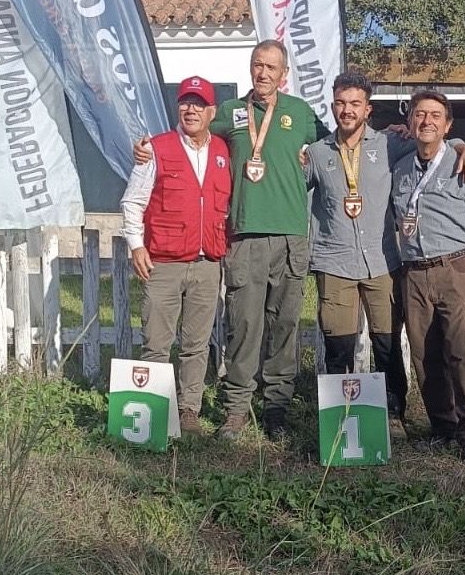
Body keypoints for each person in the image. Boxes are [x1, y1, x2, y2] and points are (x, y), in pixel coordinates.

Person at [134, 39, 328, 441]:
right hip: (243, 238)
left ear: (284, 74)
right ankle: (236, 408)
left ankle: (276, 407)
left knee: (284, 327)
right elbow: (191, 135)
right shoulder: (230, 113)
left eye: (272, 67)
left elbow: (341, 143)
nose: (263, 73)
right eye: (258, 65)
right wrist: (147, 148)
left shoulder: (301, 114)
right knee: (243, 327)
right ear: (250, 68)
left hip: (291, 237)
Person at [305, 71, 465, 442]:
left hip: (383, 263)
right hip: (335, 263)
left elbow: (433, 142)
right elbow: (290, 189)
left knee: (387, 347)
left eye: (355, 104)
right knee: (338, 347)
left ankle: (392, 414)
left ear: (368, 109)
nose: (347, 110)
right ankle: (340, 418)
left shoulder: (388, 144)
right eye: (340, 103)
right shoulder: (318, 154)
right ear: (332, 106)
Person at [390, 89, 465, 464]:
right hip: (415, 274)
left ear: (448, 125)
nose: (427, 121)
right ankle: (443, 426)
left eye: (436, 116)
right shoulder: (401, 168)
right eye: (420, 114)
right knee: (425, 355)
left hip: (456, 269)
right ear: (410, 121)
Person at [121, 76, 230, 435]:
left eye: (199, 104)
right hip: (164, 262)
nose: (191, 109)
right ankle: (151, 415)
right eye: (185, 102)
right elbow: (132, 201)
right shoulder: (156, 148)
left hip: (207, 263)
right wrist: (136, 245)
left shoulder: (224, 152)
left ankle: (188, 412)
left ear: (212, 111)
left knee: (197, 345)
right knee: (156, 342)